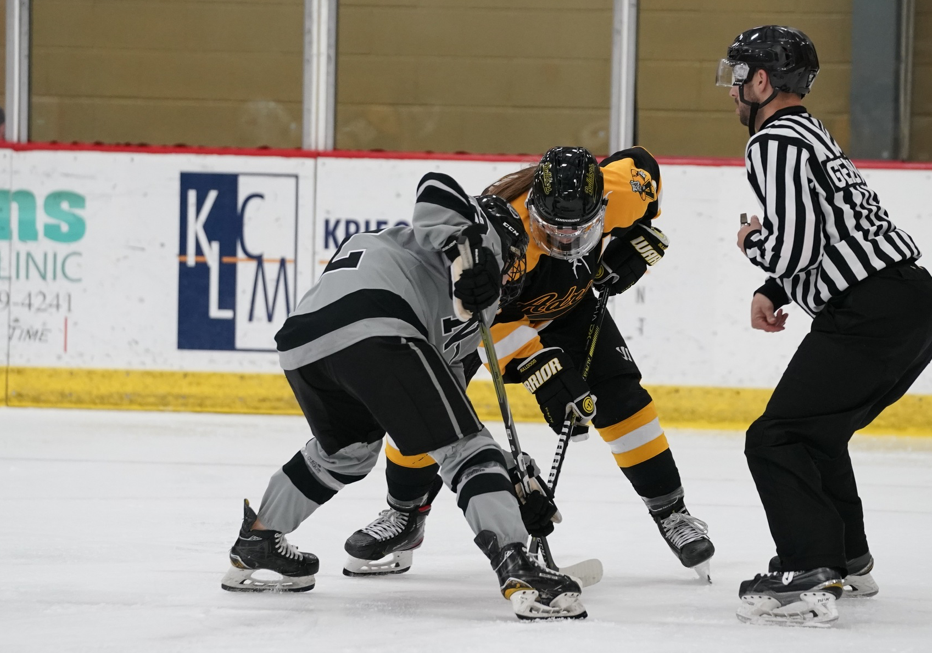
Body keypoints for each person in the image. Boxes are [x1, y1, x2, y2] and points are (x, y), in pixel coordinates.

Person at [221, 171, 588, 621]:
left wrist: (512, 479)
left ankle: (258, 539)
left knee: (346, 455)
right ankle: (517, 565)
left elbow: (440, 415)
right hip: (377, 323)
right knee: (467, 450)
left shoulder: (455, 298)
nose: (516, 273)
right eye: (515, 262)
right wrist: (474, 253)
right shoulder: (480, 236)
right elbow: (435, 188)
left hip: (306, 345)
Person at [343, 146, 716, 582]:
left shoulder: (620, 194)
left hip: (569, 307)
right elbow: (491, 322)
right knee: (428, 405)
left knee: (621, 398)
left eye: (580, 232)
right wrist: (543, 370)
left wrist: (639, 238)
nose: (566, 243)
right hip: (483, 318)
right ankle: (405, 513)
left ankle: (672, 512)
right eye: (554, 231)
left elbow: (643, 164)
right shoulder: (503, 234)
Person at [717, 25, 932, 625]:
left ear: (761, 81)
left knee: (777, 437)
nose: (732, 91)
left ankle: (807, 571)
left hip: (871, 310)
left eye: (738, 77)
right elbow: (836, 225)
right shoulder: (811, 132)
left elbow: (793, 245)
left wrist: (751, 244)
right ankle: (848, 558)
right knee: (816, 432)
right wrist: (775, 288)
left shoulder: (773, 141)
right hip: (913, 301)